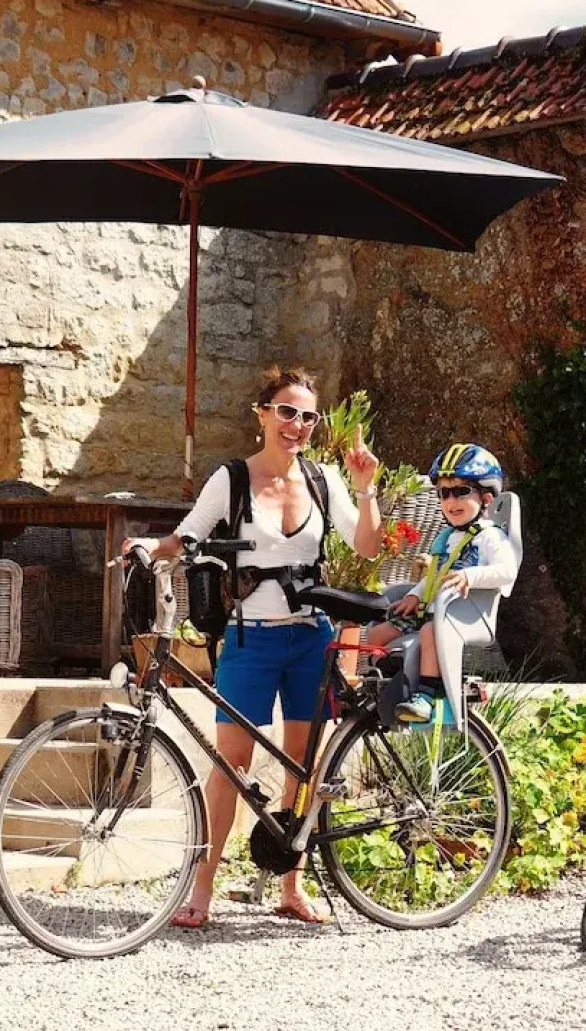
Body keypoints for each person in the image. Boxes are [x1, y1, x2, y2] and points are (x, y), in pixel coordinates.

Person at [123, 366, 382, 929]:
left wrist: (364, 489)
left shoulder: (321, 480)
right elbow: (186, 536)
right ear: (262, 413)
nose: (297, 424)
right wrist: (151, 545)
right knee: (231, 764)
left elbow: (365, 546)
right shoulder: (233, 479)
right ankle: (203, 889)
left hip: (310, 637)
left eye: (308, 416)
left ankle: (292, 884)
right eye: (286, 411)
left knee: (302, 767)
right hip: (249, 640)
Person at [365, 443, 518, 722]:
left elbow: (507, 571)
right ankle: (385, 685)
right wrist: (414, 594)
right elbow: (435, 574)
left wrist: (471, 576)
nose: (451, 501)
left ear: (485, 497)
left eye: (461, 491)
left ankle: (424, 695)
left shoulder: (490, 536)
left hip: (463, 615)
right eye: (444, 493)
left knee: (427, 633)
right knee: (377, 634)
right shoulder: (447, 537)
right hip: (432, 611)